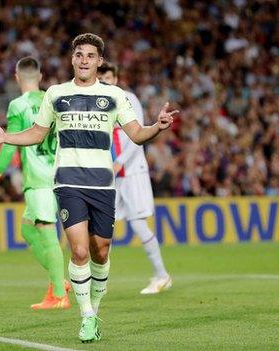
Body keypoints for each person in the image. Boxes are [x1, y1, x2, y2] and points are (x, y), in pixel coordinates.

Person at [0, 33, 178, 343]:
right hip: (67, 183)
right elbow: (36, 133)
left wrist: (158, 126)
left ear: (99, 61)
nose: (84, 60)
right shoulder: (56, 94)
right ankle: (86, 316)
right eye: (79, 55)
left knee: (101, 251)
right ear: (72, 59)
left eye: (90, 55)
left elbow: (137, 135)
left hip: (102, 184)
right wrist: (5, 137)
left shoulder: (113, 95)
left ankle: (95, 308)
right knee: (80, 249)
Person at [0, 57, 70, 310]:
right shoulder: (54, 100)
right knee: (26, 229)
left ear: (16, 77)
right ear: (41, 76)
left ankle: (59, 293)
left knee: (47, 234)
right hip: (60, 175)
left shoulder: (18, 105)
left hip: (39, 181)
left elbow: (8, 142)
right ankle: (59, 282)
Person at [97, 62, 172, 294]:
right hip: (109, 174)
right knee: (103, 228)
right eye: (102, 79)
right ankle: (99, 282)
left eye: (109, 78)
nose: (106, 82)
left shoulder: (128, 98)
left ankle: (161, 275)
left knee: (138, 223)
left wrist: (119, 162)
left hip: (131, 172)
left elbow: (137, 135)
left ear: (116, 78)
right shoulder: (97, 104)